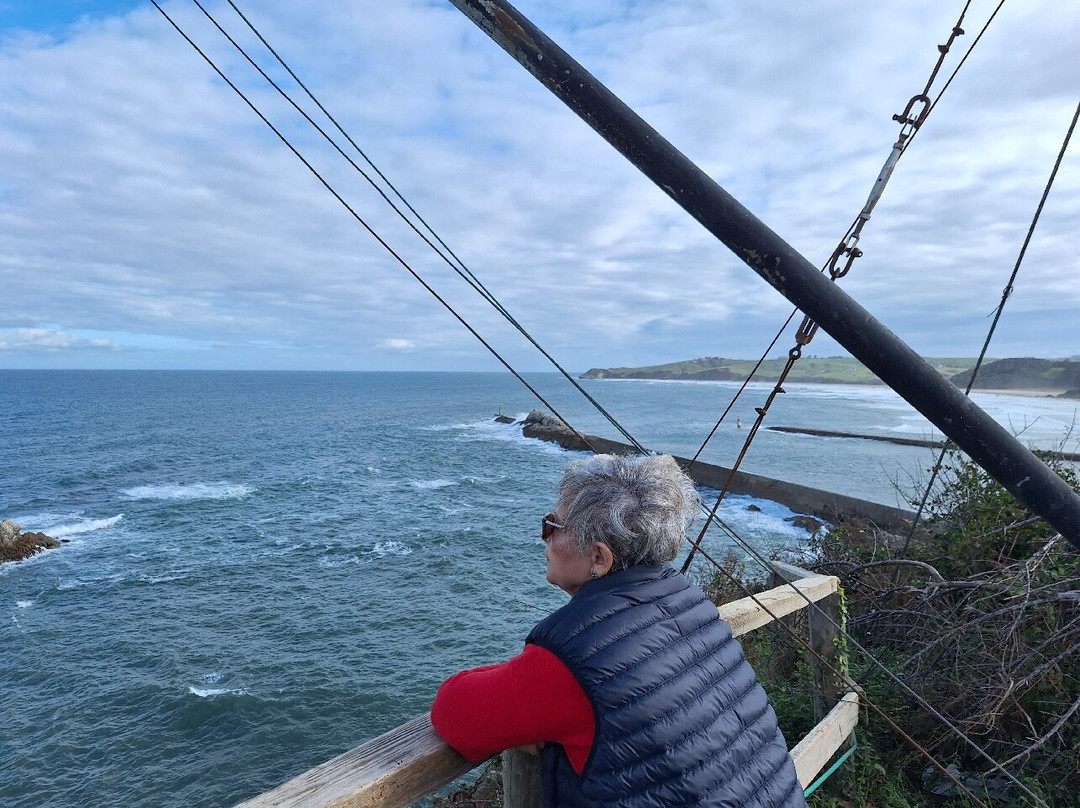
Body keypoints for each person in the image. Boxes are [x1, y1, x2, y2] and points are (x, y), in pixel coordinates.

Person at [431, 453, 807, 808]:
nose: (543, 536)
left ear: (599, 558)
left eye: (553, 525)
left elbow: (454, 712)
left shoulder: (574, 660)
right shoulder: (690, 603)